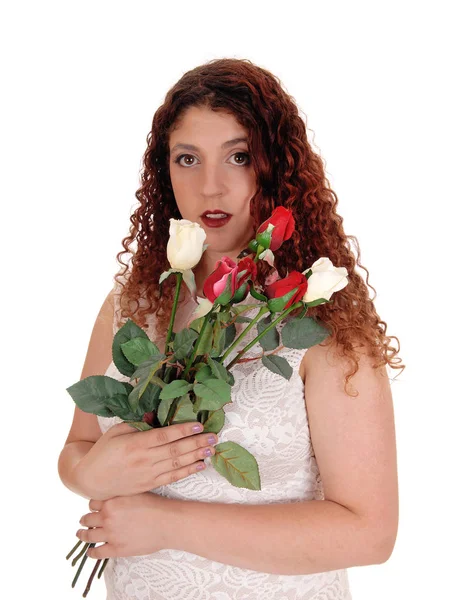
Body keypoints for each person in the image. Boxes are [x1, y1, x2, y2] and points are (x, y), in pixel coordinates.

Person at [58, 57, 402, 599]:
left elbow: (370, 532)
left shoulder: (321, 316)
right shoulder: (134, 303)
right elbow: (77, 449)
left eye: (238, 157)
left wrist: (166, 524)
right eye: (187, 159)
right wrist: (91, 477)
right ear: (163, 171)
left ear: (277, 167)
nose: (211, 187)